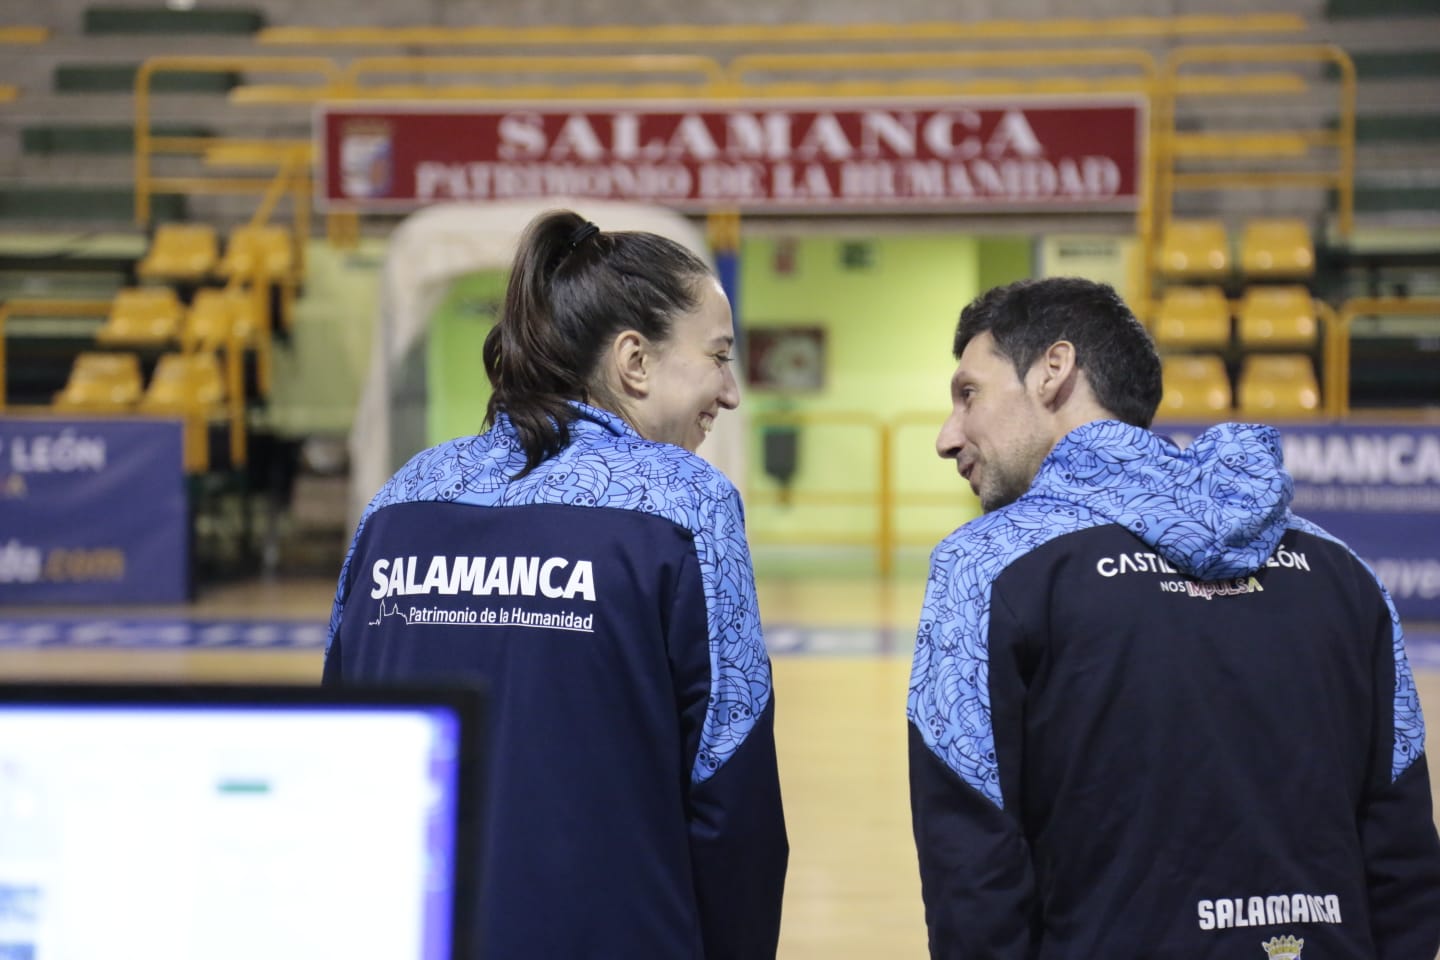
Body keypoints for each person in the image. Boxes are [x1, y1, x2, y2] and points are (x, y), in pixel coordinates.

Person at [907, 276, 1440, 958]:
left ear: (1053, 371)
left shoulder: (984, 567)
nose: (949, 437)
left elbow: (971, 863)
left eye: (968, 394)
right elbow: (1401, 846)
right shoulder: (1342, 569)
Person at [324, 209, 787, 958]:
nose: (730, 391)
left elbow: (340, 743)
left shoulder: (400, 498)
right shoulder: (685, 500)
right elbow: (729, 786)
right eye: (718, 356)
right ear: (634, 361)